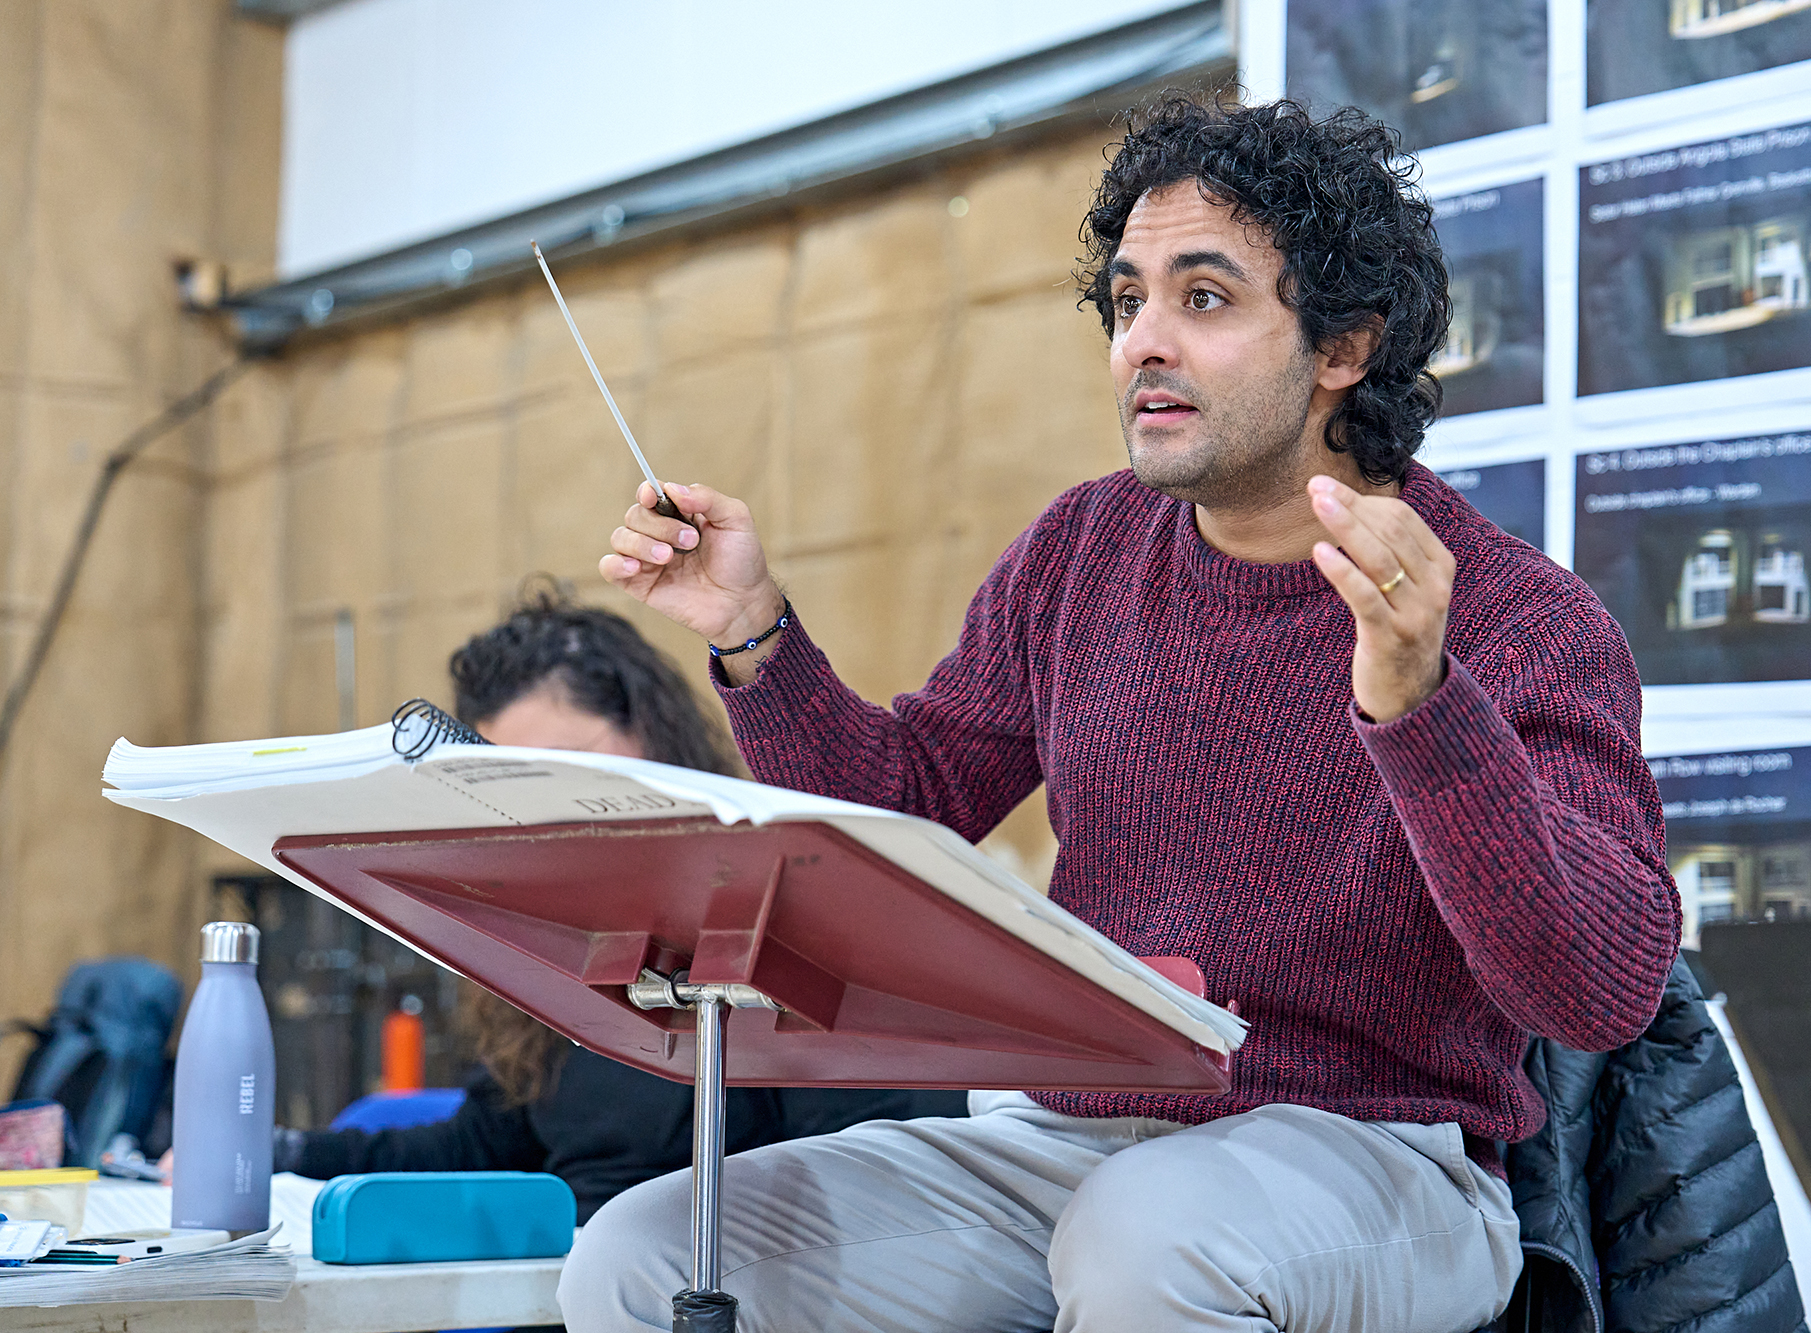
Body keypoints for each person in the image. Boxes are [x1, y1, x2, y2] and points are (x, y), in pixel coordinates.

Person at [564, 97, 1683, 1333]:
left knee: (1149, 1235)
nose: (1141, 342)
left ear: (1342, 346)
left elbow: (1600, 990)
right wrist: (750, 631)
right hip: (1067, 1140)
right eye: (1125, 299)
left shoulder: (1520, 617)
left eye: (1201, 299)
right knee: (645, 1249)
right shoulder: (1079, 551)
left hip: (1381, 1163)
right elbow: (902, 810)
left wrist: (1419, 704)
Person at [162, 590, 965, 1222]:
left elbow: (860, 1161)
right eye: (512, 778)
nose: (547, 802)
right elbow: (486, 1139)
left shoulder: (776, 915)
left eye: (567, 764)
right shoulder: (553, 938)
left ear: (654, 736)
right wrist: (284, 1150)